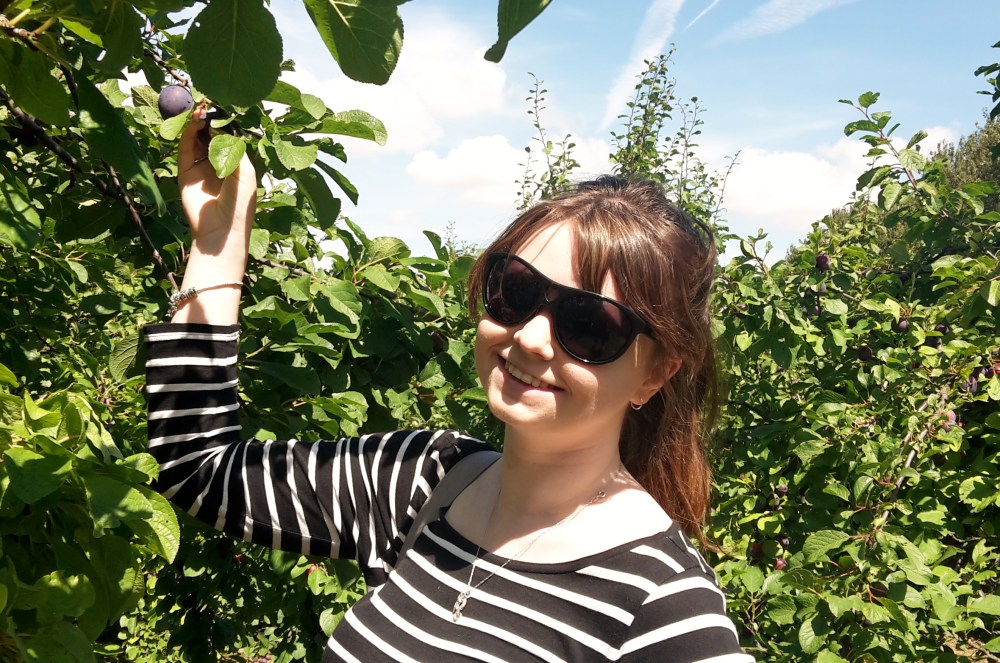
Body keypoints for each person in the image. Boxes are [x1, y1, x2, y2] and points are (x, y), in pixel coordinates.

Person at [144, 113, 754, 662]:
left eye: (589, 325)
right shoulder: (423, 477)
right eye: (516, 291)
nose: (531, 339)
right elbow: (199, 467)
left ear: (655, 373)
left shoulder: (660, 605)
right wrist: (219, 242)